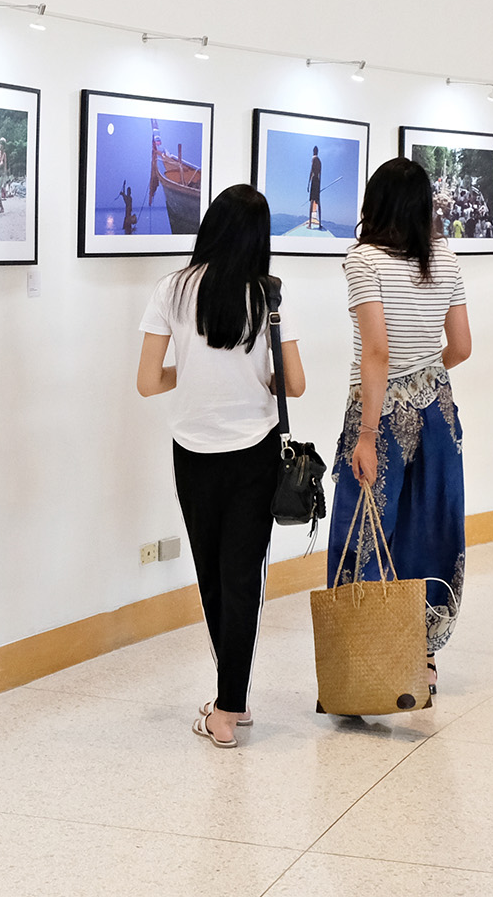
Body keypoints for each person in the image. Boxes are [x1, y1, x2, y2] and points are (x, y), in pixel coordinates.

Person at [134, 185, 306, 748]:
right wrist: (248, 375)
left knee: (211, 574)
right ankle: (231, 703)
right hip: (254, 451)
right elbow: (295, 385)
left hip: (193, 452)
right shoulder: (270, 296)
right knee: (242, 578)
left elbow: (147, 382)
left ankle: (229, 704)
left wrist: (197, 373)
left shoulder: (172, 290)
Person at [332, 157, 474, 691]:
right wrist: (425, 372)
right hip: (438, 412)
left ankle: (364, 668)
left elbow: (375, 351)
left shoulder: (363, 259)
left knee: (363, 531)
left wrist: (367, 433)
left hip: (379, 413)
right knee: (428, 529)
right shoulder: (445, 256)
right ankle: (423, 657)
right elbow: (460, 347)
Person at [306, 144, 323, 231]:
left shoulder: (313, 158)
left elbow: (311, 171)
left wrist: (308, 184)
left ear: (313, 151)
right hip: (318, 181)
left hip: (314, 180)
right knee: (318, 202)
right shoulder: (320, 161)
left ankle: (309, 224)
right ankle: (320, 223)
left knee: (312, 201)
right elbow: (320, 174)